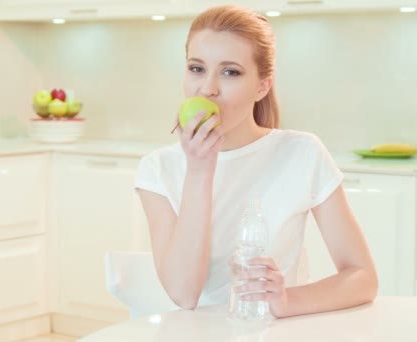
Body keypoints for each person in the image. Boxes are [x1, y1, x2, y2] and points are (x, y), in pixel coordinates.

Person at [134, 5, 378, 318]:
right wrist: (199, 172)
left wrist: (287, 300)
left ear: (262, 85)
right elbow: (184, 294)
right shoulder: (157, 169)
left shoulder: (301, 153)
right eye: (196, 68)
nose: (207, 88)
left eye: (230, 72)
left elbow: (362, 278)